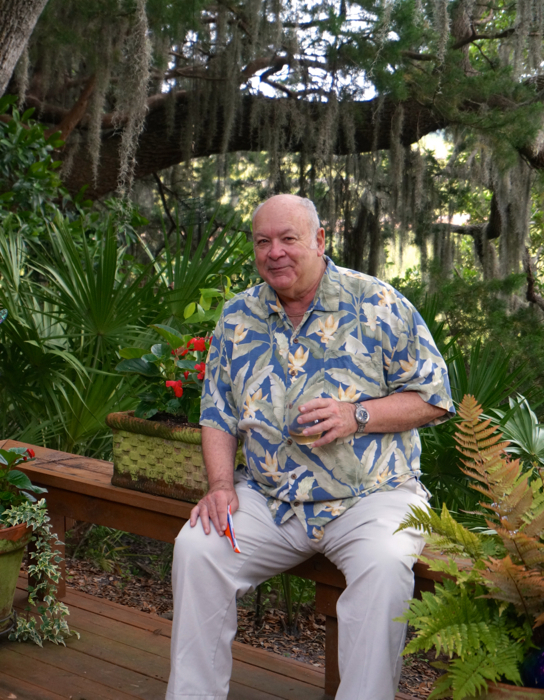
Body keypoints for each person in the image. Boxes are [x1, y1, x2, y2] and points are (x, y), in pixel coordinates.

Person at [165, 194, 454, 700]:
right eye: (262, 242)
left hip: (372, 497)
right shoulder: (236, 319)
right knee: (197, 548)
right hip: (269, 500)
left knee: (386, 564)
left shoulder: (378, 303)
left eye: (288, 239)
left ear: (321, 241)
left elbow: (434, 399)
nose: (274, 252)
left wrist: (356, 415)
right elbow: (216, 414)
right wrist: (219, 486)